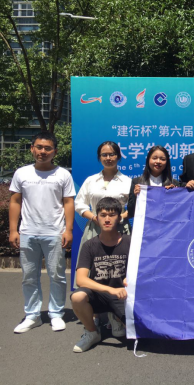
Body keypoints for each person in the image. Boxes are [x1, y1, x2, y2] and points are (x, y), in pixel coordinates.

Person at [10, 131, 76, 333]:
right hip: (28, 232)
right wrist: (13, 230)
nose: (43, 151)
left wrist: (68, 230)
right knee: (29, 276)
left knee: (57, 276)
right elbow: (15, 201)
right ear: (32, 149)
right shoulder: (22, 173)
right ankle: (32, 315)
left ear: (54, 151)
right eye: (39, 147)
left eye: (48, 148)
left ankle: (56, 314)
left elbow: (68, 202)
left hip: (54, 232)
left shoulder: (63, 174)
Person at [70, 197, 130, 352]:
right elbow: (81, 279)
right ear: (97, 218)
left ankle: (117, 317)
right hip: (99, 295)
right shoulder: (89, 245)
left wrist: (129, 279)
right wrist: (110, 290)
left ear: (119, 217)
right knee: (77, 297)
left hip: (123, 296)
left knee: (139, 335)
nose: (107, 219)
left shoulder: (130, 242)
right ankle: (92, 332)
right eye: (103, 215)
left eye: (112, 215)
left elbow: (142, 271)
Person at [74, 141, 132, 288]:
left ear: (118, 156)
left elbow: (134, 208)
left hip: (119, 228)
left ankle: (121, 297)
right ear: (99, 157)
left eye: (112, 154)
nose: (108, 158)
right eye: (104, 155)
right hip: (94, 227)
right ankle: (89, 296)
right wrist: (94, 217)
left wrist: (120, 218)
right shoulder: (91, 180)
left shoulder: (127, 181)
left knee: (120, 265)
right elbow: (79, 204)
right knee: (91, 265)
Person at [127, 145, 179, 218]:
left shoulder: (174, 184)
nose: (158, 161)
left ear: (167, 162)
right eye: (154, 158)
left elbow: (178, 212)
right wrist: (136, 197)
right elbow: (131, 212)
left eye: (162, 159)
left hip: (166, 224)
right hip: (145, 224)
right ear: (148, 160)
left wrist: (173, 196)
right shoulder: (137, 182)